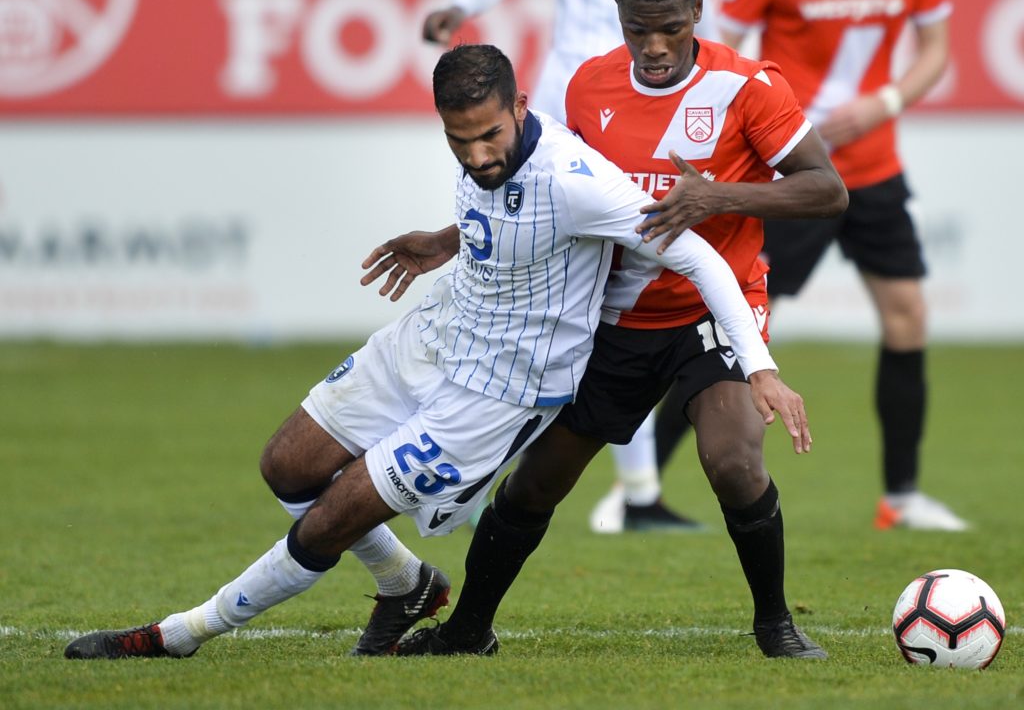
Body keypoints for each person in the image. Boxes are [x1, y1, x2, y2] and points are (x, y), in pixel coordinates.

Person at [63, 44, 810, 661]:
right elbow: (508, 218)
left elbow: (700, 259)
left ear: (521, 110)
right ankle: (407, 584)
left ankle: (180, 635)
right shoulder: (480, 151)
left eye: (492, 136)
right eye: (461, 141)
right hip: (435, 334)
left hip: (497, 392)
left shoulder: (580, 181)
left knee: (331, 519)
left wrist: (761, 367)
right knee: (285, 466)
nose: (480, 155)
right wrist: (447, 240)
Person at [386, 0, 848, 658]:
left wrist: (717, 196)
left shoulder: (748, 87)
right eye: (638, 29)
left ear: (697, 10)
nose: (655, 47)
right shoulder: (589, 87)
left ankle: (776, 627)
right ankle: (468, 630)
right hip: (615, 316)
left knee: (732, 460)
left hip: (709, 309)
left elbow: (827, 189)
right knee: (537, 483)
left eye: (670, 26)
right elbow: (555, 194)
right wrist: (454, 237)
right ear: (619, 19)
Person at [424, 0, 720, 533]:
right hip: (582, 110)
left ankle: (636, 491)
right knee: (527, 306)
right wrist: (464, 3)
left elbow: (698, 10)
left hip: (648, 103)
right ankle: (461, 463)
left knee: (614, 305)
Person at [707, 0, 967, 531]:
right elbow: (723, 50)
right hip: (797, 173)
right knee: (734, 324)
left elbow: (936, 49)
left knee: (907, 313)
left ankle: (900, 498)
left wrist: (887, 104)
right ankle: (644, 494)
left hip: (876, 168)